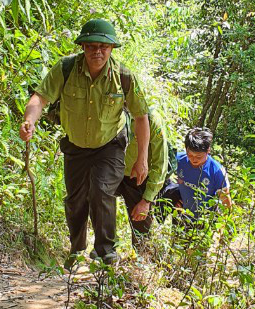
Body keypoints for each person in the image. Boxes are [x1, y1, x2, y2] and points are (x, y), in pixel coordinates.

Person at [19, 19, 149, 264]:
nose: (97, 52)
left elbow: (141, 117)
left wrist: (141, 159)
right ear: (82, 47)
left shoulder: (123, 76)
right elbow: (40, 98)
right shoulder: (66, 69)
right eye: (90, 46)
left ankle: (105, 251)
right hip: (76, 145)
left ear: (111, 49)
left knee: (102, 191)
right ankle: (77, 249)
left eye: (103, 46)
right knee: (75, 198)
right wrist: (29, 121)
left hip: (109, 144)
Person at [118, 106, 169, 245]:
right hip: (114, 170)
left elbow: (161, 162)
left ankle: (141, 257)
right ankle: (105, 252)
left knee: (140, 223)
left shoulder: (152, 119)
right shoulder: (114, 112)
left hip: (138, 177)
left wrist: (147, 200)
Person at [160, 126, 232, 223]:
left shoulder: (216, 171)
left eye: (199, 156)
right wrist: (174, 198)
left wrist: (222, 229)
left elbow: (225, 201)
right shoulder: (178, 160)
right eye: (190, 155)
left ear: (208, 151)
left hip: (205, 220)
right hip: (182, 216)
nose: (194, 159)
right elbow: (161, 175)